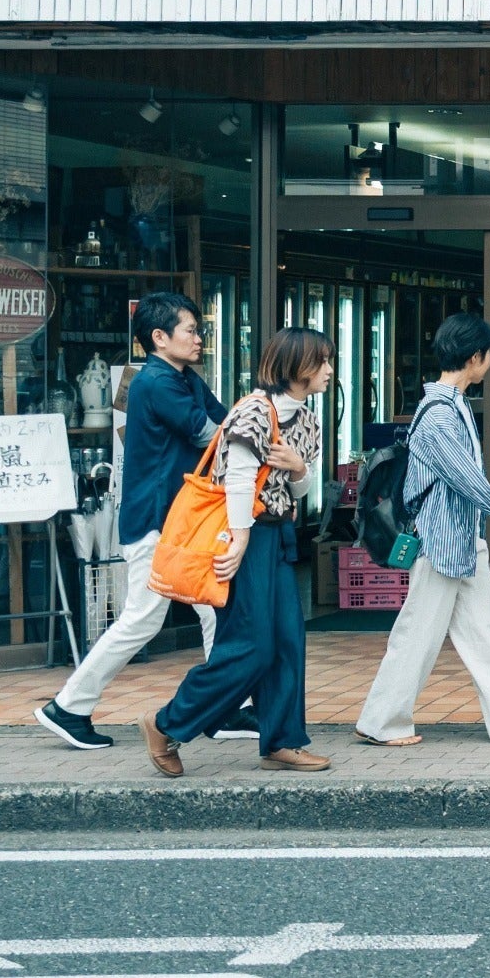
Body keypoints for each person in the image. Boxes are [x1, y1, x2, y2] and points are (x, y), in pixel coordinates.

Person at [39, 293, 299, 749]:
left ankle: (224, 710)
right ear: (159, 338)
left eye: (199, 330)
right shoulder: (155, 383)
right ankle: (69, 706)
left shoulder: (182, 377)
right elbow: (212, 434)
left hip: (179, 521)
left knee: (215, 607)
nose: (199, 338)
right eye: (191, 330)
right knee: (143, 618)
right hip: (159, 521)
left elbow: (226, 422)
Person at [355, 312, 490, 747]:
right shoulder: (438, 415)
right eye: (489, 355)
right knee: (416, 635)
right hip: (440, 542)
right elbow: (465, 481)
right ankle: (381, 722)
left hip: (460, 541)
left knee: (483, 635)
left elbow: (461, 478)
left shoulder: (452, 405)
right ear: (475, 357)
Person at [144, 328, 336, 777]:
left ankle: (282, 740)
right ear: (297, 367)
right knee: (250, 645)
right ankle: (165, 723)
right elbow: (237, 479)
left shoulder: (306, 420)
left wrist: (300, 468)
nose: (329, 371)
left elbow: (299, 489)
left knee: (288, 638)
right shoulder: (252, 410)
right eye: (322, 361)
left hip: (276, 535)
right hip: (242, 535)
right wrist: (241, 538)